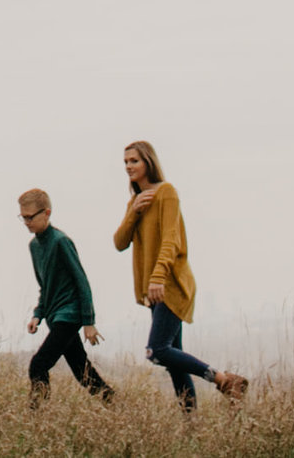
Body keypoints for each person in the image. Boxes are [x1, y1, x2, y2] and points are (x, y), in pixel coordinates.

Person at [112, 140, 248, 408]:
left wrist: (158, 277)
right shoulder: (136, 202)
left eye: (134, 161)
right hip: (154, 291)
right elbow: (119, 242)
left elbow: (171, 240)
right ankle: (191, 426)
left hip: (170, 285)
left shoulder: (167, 192)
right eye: (126, 162)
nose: (129, 166)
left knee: (157, 351)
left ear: (148, 162)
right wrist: (135, 212)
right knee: (175, 362)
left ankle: (223, 379)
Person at [20, 187, 113, 405]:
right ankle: (115, 403)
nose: (26, 222)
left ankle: (38, 416)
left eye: (30, 217)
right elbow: (45, 286)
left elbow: (82, 281)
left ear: (47, 213)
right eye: (23, 218)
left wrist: (89, 322)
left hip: (69, 316)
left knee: (38, 365)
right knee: (83, 372)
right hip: (54, 317)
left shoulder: (61, 242)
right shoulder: (34, 246)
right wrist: (37, 315)